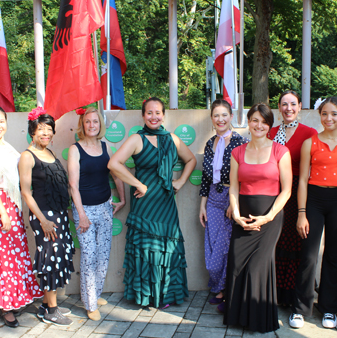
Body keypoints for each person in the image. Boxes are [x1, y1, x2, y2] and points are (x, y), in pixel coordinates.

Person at [108, 97, 197, 308]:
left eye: (158, 112)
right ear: (143, 115)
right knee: (146, 249)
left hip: (166, 203)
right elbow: (114, 164)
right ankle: (147, 295)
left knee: (167, 248)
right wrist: (139, 184)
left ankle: (165, 294)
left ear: (164, 115)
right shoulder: (137, 139)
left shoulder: (172, 139)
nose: (154, 116)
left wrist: (181, 181)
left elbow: (191, 160)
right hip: (145, 204)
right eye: (149, 112)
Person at [289, 96, 337, 330]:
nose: (328, 118)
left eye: (334, 114)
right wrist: (301, 213)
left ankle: (329, 308)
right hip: (314, 201)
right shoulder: (311, 142)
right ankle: (300, 309)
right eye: (324, 114)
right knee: (308, 255)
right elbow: (301, 181)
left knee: (331, 255)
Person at [224, 103, 292, 332]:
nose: (258, 125)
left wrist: (269, 217)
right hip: (242, 215)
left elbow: (287, 190)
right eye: (254, 120)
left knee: (257, 267)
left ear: (270, 125)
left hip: (270, 217)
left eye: (263, 121)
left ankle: (258, 318)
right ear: (248, 122)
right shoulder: (237, 152)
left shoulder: (281, 152)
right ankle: (237, 316)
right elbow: (233, 187)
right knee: (236, 263)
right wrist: (235, 214)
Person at [0, 106, 43, 328]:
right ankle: (5, 307)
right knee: (0, 258)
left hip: (10, 205)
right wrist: (3, 213)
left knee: (11, 256)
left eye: (1, 121)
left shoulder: (5, 146)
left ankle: (6, 301)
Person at [67, 107, 126, 321]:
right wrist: (81, 215)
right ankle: (90, 304)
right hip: (85, 210)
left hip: (105, 207)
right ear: (83, 125)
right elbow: (73, 185)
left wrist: (122, 198)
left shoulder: (106, 146)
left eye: (95, 121)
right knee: (89, 257)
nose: (92, 125)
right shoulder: (75, 149)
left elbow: (117, 175)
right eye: (88, 121)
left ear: (100, 124)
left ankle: (94, 293)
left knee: (103, 256)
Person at [19, 108, 74, 326]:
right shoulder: (27, 156)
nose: (46, 133)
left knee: (59, 258)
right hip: (44, 217)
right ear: (32, 130)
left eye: (49, 129)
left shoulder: (50, 153)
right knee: (51, 260)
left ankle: (45, 305)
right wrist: (42, 220)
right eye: (41, 129)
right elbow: (25, 192)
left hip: (58, 215)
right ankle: (51, 311)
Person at [267, 90, 317, 306]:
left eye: (293, 104)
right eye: (284, 104)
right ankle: (274, 293)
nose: (288, 108)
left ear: (300, 106)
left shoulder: (309, 133)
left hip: (298, 191)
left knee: (296, 240)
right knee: (275, 239)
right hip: (273, 191)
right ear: (279, 107)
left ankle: (295, 295)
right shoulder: (270, 132)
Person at [199, 100, 248, 305]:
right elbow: (206, 178)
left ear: (231, 117)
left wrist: (233, 203)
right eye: (216, 115)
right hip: (212, 197)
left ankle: (228, 290)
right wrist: (202, 204)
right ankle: (219, 287)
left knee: (226, 246)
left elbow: (244, 175)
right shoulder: (210, 143)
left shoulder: (240, 142)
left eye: (224, 115)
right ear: (211, 119)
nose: (220, 119)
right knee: (212, 246)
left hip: (232, 196)